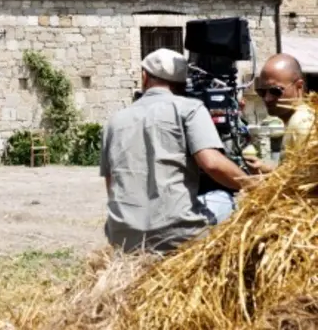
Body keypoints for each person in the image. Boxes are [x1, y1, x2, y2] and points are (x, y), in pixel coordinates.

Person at [100, 48, 251, 253]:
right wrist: (254, 185)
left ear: (144, 77)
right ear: (182, 82)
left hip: (123, 237)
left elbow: (112, 184)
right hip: (177, 234)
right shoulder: (189, 108)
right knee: (223, 198)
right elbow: (212, 164)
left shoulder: (114, 121)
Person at [244, 53, 316, 174]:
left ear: (299, 87)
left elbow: (303, 181)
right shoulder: (294, 120)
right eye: (262, 92)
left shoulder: (303, 123)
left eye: (275, 91)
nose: (267, 98)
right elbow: (293, 174)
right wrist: (265, 168)